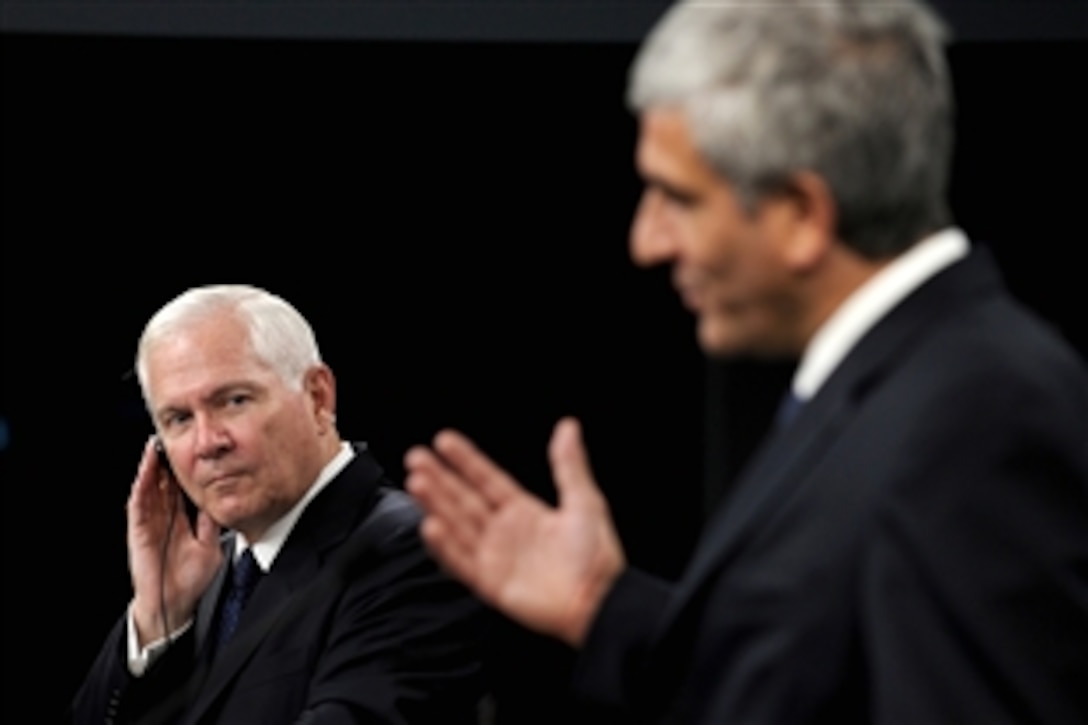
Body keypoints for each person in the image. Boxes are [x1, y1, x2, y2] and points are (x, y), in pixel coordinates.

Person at [403, 1, 1088, 723]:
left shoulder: (980, 420)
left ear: (802, 214)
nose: (648, 241)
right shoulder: (897, 386)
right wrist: (603, 611)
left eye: (678, 197)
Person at [71, 285, 485, 724]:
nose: (208, 443)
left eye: (234, 401)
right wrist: (157, 624)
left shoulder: (412, 549)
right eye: (179, 419)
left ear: (318, 397)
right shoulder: (203, 580)